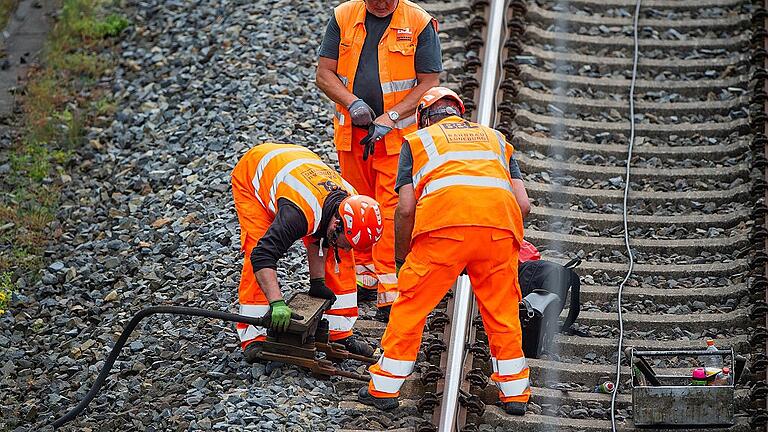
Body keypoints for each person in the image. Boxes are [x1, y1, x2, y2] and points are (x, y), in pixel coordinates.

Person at [358, 87, 532, 415]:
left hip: (443, 231)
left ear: (424, 118)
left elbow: (406, 209)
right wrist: (501, 241)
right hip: (497, 231)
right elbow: (523, 203)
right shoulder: (496, 139)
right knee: (502, 312)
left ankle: (384, 388)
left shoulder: (417, 142)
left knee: (411, 306)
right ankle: (515, 394)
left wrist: (402, 256)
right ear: (459, 113)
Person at [316, 0, 442, 320]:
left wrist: (392, 116)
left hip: (396, 138)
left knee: (389, 209)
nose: (382, 3)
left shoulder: (418, 22)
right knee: (357, 203)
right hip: (352, 134)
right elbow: (324, 74)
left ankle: (390, 288)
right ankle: (363, 276)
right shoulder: (343, 17)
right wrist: (352, 102)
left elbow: (429, 82)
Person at [231, 143, 384, 361]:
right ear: (337, 223)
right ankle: (253, 337)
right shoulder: (298, 214)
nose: (348, 247)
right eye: (347, 241)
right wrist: (277, 302)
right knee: (257, 246)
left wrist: (318, 282)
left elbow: (320, 235)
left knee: (337, 253)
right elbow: (263, 257)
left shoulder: (350, 200)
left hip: (297, 165)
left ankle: (339, 332)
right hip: (254, 172)